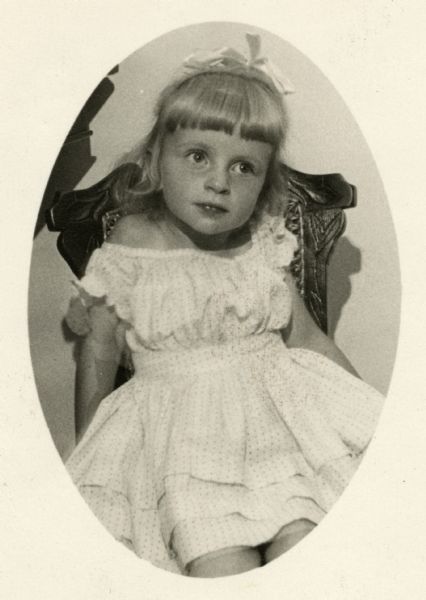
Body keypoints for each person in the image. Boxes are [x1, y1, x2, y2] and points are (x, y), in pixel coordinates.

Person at [65, 33, 384, 577]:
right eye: (198, 156)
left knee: (307, 536)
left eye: (244, 168)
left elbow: (306, 339)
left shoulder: (262, 240)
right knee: (218, 558)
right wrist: (94, 465)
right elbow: (97, 358)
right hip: (183, 445)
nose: (219, 181)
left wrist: (376, 424)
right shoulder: (128, 249)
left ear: (263, 185)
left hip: (281, 427)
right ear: (155, 160)